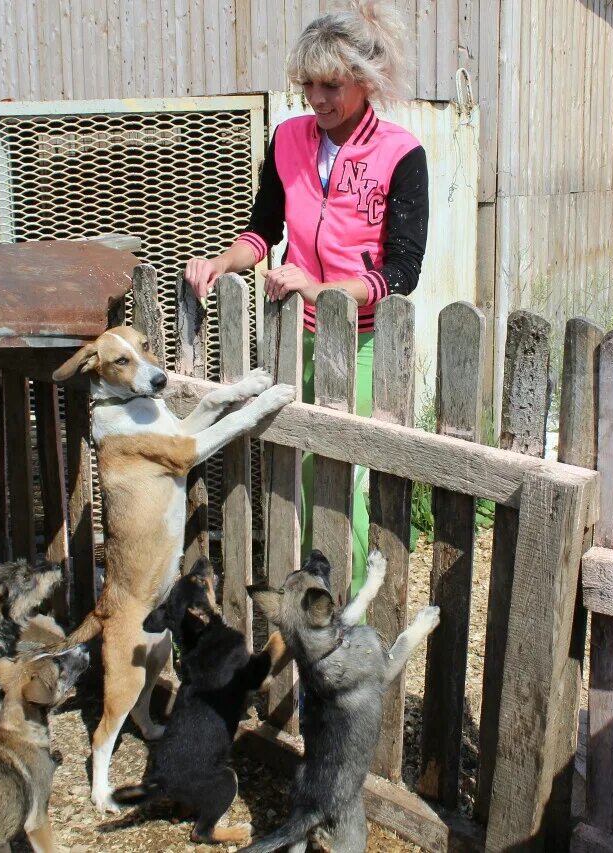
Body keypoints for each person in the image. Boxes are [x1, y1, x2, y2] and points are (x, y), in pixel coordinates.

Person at [184, 0, 429, 596]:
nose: (318, 100)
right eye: (309, 85)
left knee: (339, 476)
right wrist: (221, 261)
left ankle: (351, 607)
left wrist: (319, 288)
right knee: (289, 467)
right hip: (293, 332)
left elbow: (402, 271)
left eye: (332, 86)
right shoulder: (289, 139)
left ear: (364, 82)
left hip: (364, 340)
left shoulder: (401, 154)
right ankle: (307, 598)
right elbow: (263, 230)